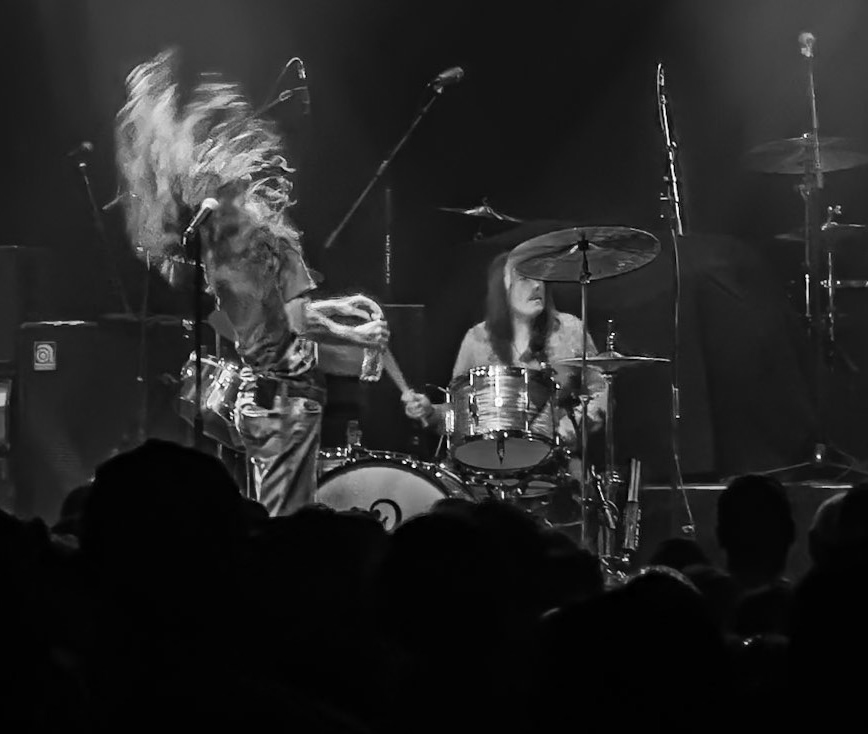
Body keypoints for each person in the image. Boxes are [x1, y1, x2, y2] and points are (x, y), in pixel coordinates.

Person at [114, 50, 388, 515]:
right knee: (285, 522)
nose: (280, 177)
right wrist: (360, 337)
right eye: (268, 170)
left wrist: (343, 308)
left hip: (267, 402)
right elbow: (297, 322)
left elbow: (279, 315)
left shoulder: (232, 247)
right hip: (283, 405)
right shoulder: (259, 245)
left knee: (274, 513)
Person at [400, 251, 608, 463]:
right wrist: (430, 412)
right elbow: (459, 415)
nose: (538, 285)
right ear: (503, 288)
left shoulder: (569, 330)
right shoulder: (477, 340)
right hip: (491, 463)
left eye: (540, 277)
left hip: (557, 461)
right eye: (525, 278)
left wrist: (571, 426)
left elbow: (601, 391)